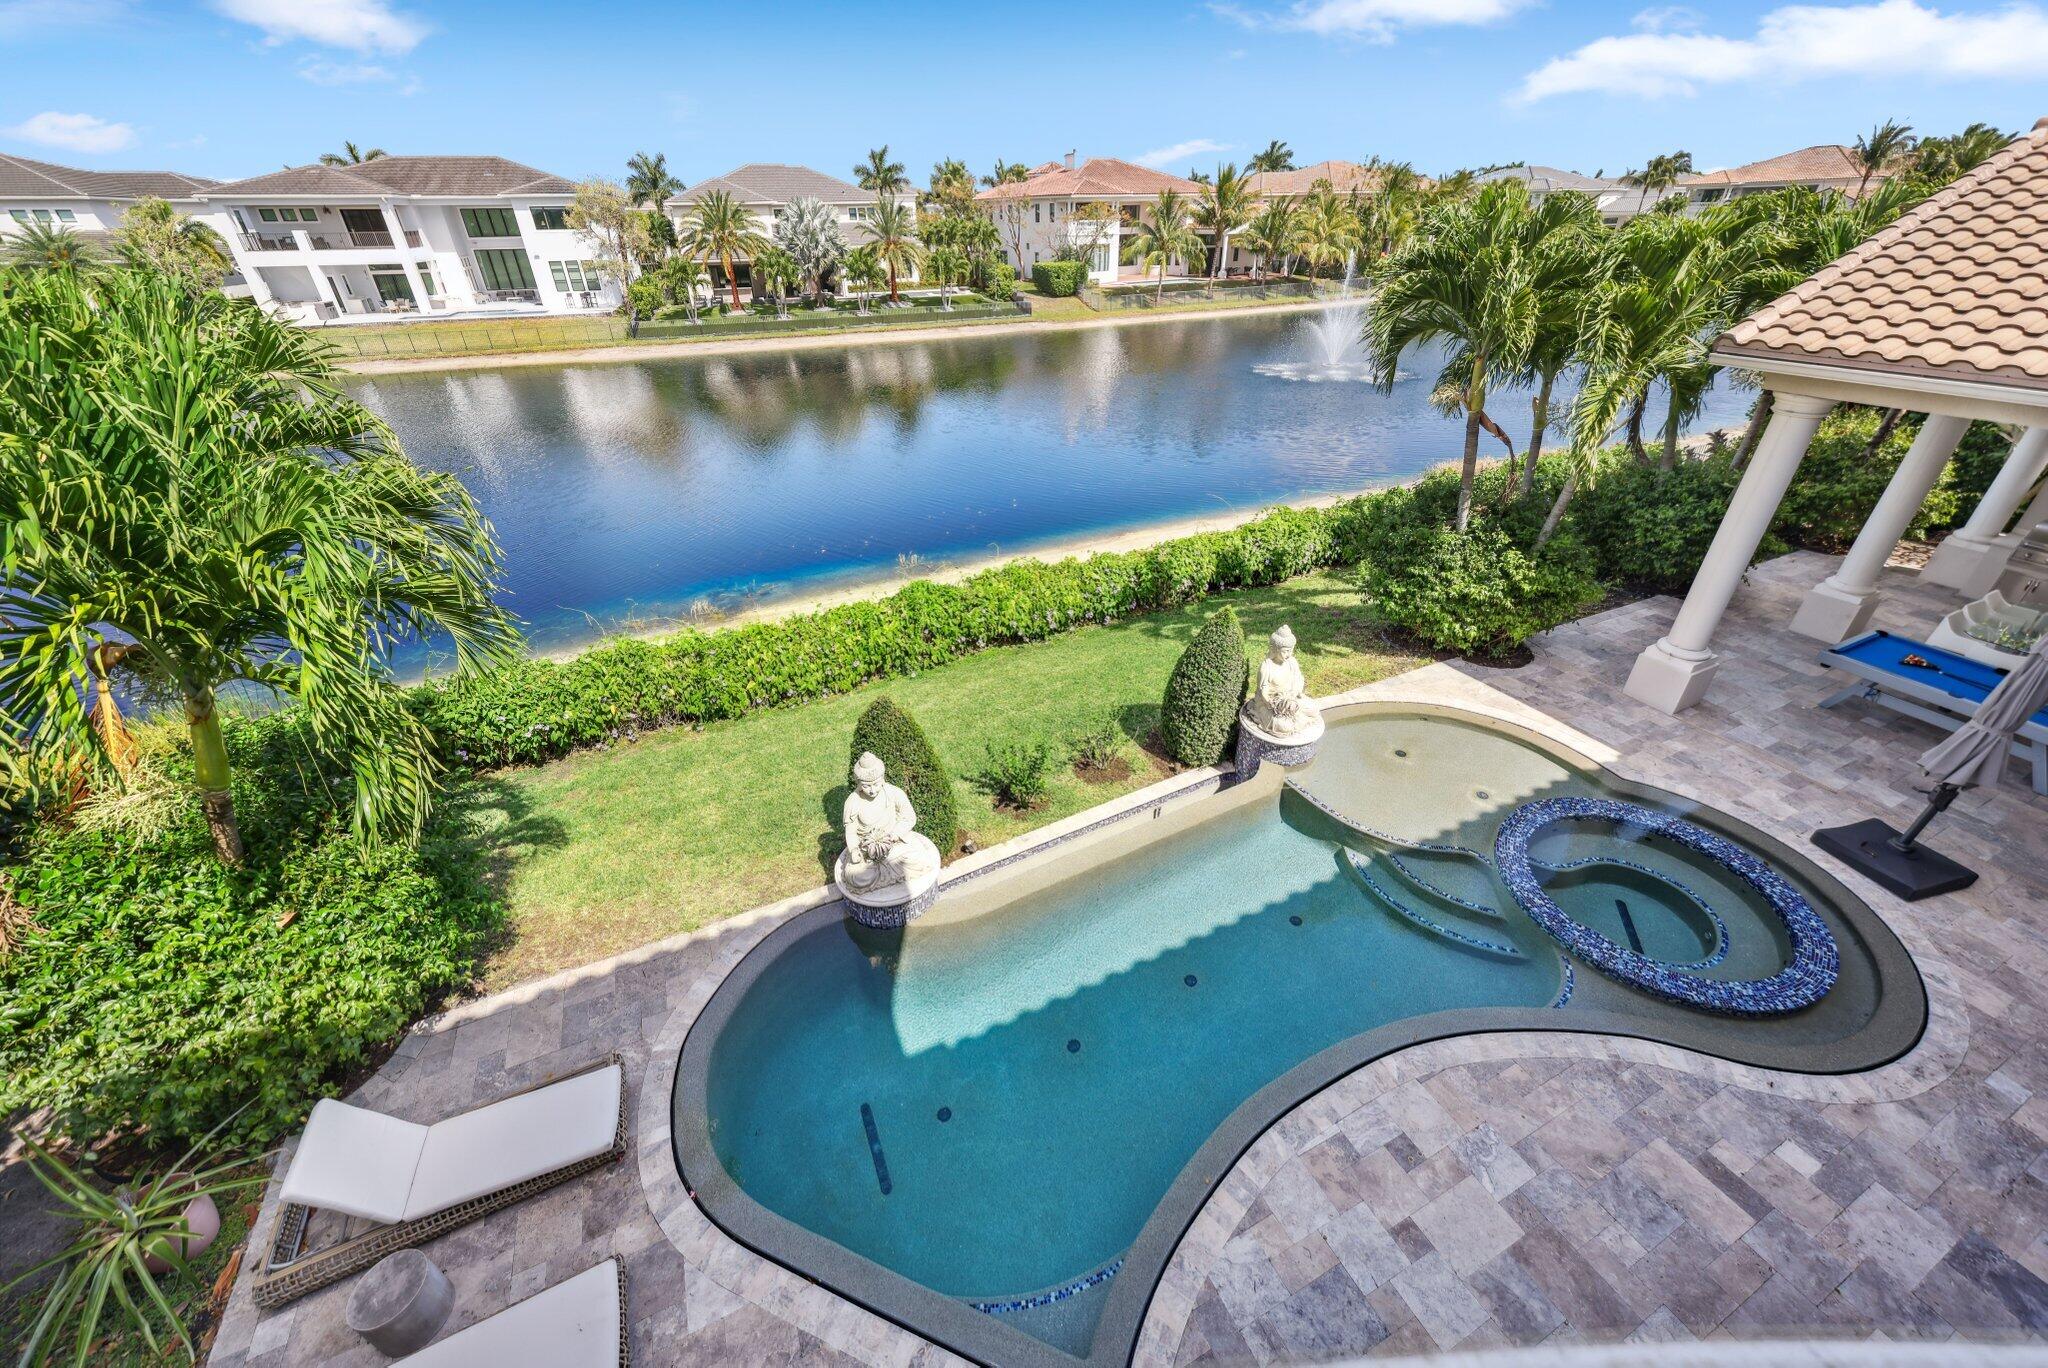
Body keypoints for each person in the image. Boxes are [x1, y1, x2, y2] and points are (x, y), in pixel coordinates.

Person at [839, 752, 940, 894]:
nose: (872, 790)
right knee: (857, 877)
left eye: (876, 784)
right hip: (867, 852)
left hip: (894, 845)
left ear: (883, 778)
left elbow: (909, 817)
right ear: (859, 783)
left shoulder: (893, 793)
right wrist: (855, 850)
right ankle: (882, 872)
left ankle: (885, 872)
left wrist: (894, 834)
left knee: (919, 858)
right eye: (867, 786)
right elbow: (850, 831)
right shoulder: (853, 801)